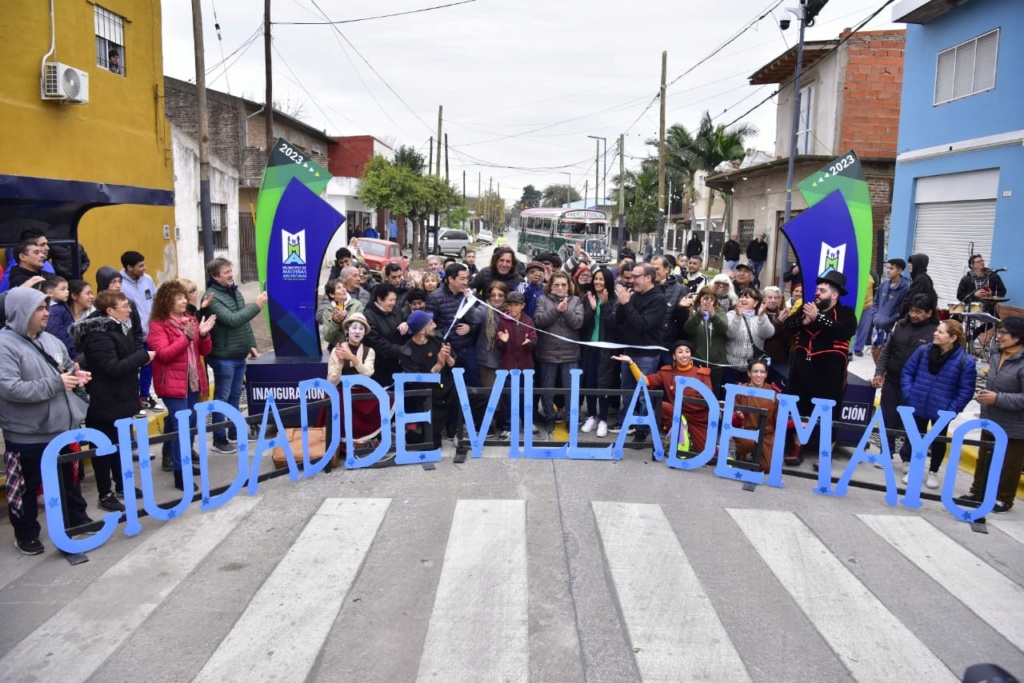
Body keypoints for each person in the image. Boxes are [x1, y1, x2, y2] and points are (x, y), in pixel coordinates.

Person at [0, 287, 93, 554]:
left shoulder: (51, 339)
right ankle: (26, 534)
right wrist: (56, 383)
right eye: (40, 308)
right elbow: (9, 388)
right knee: (25, 489)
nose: (46, 313)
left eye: (45, 307)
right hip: (27, 433)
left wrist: (76, 376)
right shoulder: (4, 345)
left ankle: (76, 520)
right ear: (22, 312)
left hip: (62, 429)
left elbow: (63, 371)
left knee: (69, 479)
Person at [72, 290, 157, 507]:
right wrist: (142, 357)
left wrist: (141, 359)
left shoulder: (118, 328)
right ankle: (105, 495)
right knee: (104, 451)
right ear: (110, 310)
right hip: (105, 402)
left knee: (121, 447)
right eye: (125, 306)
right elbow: (112, 367)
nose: (130, 310)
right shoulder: (99, 335)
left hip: (122, 400)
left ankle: (122, 485)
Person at [783, 270, 858, 465]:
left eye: (822, 290)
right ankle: (797, 447)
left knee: (829, 412)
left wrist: (818, 318)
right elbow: (788, 327)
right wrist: (803, 321)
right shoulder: (807, 308)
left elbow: (843, 331)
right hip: (802, 369)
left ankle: (826, 454)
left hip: (830, 372)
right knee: (799, 408)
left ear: (834, 295)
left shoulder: (846, 313)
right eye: (817, 289)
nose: (817, 293)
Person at [149, 280, 216, 483]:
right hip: (172, 382)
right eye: (179, 298)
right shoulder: (158, 325)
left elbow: (204, 351)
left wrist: (203, 335)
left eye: (184, 297)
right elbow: (164, 354)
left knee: (191, 423)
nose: (184, 301)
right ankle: (180, 471)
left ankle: (183, 462)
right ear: (167, 301)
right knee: (181, 426)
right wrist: (186, 338)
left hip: (192, 380)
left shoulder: (190, 320)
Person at [900, 319, 976, 489]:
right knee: (914, 437)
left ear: (952, 338)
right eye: (937, 330)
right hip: (917, 403)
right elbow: (907, 373)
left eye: (941, 332)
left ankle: (933, 471)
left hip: (942, 410)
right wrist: (909, 395)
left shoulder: (965, 362)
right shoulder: (923, 351)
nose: (935, 333)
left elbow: (965, 391)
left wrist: (951, 410)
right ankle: (913, 467)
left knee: (939, 441)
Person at [959, 316, 1024, 513]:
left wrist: (998, 398)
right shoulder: (996, 354)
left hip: (1015, 425)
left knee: (1010, 464)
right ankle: (977, 492)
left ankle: (1004, 498)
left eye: (1004, 333)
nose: (999, 336)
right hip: (991, 418)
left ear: (1018, 337)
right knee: (984, 457)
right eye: (999, 332)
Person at [204, 257, 268, 454]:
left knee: (234, 396)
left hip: (238, 353)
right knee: (221, 398)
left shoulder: (234, 291)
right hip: (223, 356)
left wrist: (251, 344)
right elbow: (232, 320)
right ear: (215, 276)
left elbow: (244, 323)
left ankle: (234, 432)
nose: (231, 275)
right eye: (226, 272)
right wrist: (256, 306)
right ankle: (219, 438)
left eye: (231, 270)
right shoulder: (212, 297)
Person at [399, 311, 484, 448]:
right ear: (421, 330)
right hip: (430, 398)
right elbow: (416, 383)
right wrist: (438, 365)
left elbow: (454, 364)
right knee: (433, 444)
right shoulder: (407, 352)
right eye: (430, 323)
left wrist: (448, 357)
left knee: (480, 398)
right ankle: (411, 435)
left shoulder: (437, 339)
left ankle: (467, 430)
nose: (435, 325)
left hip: (449, 389)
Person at [871, 294, 940, 465]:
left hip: (916, 386)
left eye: (918, 312)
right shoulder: (900, 325)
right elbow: (887, 351)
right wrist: (879, 372)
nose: (913, 315)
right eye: (911, 311)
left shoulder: (936, 332)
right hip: (892, 381)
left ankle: (907, 458)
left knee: (913, 423)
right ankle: (885, 453)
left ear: (929, 313)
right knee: (888, 418)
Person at [613, 340, 714, 453]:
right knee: (662, 406)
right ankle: (676, 435)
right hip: (677, 415)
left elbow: (710, 401)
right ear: (674, 356)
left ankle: (692, 439)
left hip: (698, 419)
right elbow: (644, 381)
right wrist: (631, 363)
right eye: (680, 352)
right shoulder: (667, 372)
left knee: (709, 455)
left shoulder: (701, 374)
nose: (684, 355)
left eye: (687, 351)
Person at [614, 263, 668, 441]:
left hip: (646, 355)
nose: (632, 280)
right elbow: (619, 322)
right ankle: (629, 421)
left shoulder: (658, 299)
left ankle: (643, 430)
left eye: (636, 276)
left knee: (644, 395)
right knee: (627, 391)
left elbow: (642, 324)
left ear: (648, 278)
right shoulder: (634, 296)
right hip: (628, 350)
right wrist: (622, 306)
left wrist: (627, 304)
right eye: (631, 277)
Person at [534, 271, 585, 434]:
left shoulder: (576, 301)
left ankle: (570, 419)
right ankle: (549, 417)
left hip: (570, 353)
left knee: (570, 389)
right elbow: (538, 321)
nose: (560, 288)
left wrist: (566, 310)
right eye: (557, 285)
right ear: (551, 286)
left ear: (569, 285)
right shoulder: (542, 299)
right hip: (547, 353)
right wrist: (556, 309)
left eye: (564, 284)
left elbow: (578, 323)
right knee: (547, 389)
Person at [326, 312, 382, 444]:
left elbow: (368, 373)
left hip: (361, 392)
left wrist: (352, 358)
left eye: (361, 329)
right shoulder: (337, 350)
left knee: (385, 399)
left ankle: (365, 440)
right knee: (338, 404)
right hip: (341, 392)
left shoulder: (369, 351)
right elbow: (331, 380)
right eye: (354, 327)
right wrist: (340, 362)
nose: (357, 331)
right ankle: (342, 444)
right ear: (347, 330)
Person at [427, 262, 481, 387]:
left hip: (467, 349)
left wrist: (470, 328)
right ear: (451, 279)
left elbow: (476, 320)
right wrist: (446, 334)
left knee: (473, 384)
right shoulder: (435, 297)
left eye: (467, 278)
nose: (465, 282)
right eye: (462, 279)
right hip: (448, 350)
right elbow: (430, 326)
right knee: (451, 386)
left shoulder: (468, 295)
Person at [580, 267, 619, 437]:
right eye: (596, 278)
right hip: (589, 348)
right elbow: (582, 324)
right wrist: (592, 308)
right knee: (589, 382)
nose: (597, 282)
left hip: (606, 349)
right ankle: (591, 416)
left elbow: (614, 326)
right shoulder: (587, 298)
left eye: (601, 279)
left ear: (608, 282)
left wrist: (604, 307)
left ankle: (603, 419)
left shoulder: (615, 301)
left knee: (604, 383)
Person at [496, 290, 538, 439]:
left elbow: (534, 339)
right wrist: (503, 341)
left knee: (526, 396)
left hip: (526, 366)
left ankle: (527, 422)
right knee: (508, 397)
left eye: (516, 305)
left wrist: (530, 343)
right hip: (508, 366)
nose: (512, 308)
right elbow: (499, 345)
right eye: (510, 305)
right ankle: (508, 425)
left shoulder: (528, 321)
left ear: (523, 306)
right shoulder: (503, 321)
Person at [119, 251, 158, 412]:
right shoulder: (119, 283)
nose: (144, 268)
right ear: (129, 267)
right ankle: (133, 399)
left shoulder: (147, 280)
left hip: (150, 333)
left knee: (149, 366)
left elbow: (155, 300)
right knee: (133, 367)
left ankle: (145, 396)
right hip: (131, 335)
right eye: (140, 265)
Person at [731, 358, 779, 472]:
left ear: (766, 374)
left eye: (762, 372)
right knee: (747, 444)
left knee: (765, 468)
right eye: (755, 371)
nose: (759, 375)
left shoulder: (774, 393)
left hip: (766, 434)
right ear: (749, 373)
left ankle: (757, 451)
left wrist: (797, 423)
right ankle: (741, 451)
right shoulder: (740, 391)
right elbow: (731, 419)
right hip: (746, 432)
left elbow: (778, 418)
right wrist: (738, 416)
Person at [684, 285, 729, 397]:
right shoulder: (693, 312)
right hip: (698, 361)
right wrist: (699, 314)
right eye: (705, 298)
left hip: (717, 363)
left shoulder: (721, 313)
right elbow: (687, 329)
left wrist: (713, 315)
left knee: (714, 393)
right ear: (700, 299)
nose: (708, 301)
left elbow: (723, 330)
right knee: (697, 393)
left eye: (711, 299)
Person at [725, 287, 775, 385]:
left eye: (747, 297)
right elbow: (730, 334)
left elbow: (768, 334)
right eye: (741, 297)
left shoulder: (760, 317)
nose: (743, 299)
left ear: (756, 303)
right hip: (731, 366)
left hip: (753, 368)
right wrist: (737, 316)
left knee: (749, 397)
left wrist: (761, 317)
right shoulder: (731, 314)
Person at [362, 283, 407, 389]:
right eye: (390, 300)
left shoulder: (396, 310)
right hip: (380, 368)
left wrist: (406, 323)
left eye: (395, 300)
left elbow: (404, 319)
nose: (393, 303)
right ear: (379, 299)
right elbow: (377, 343)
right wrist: (402, 350)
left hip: (398, 365)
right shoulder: (368, 316)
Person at [870, 259, 910, 364]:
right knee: (874, 350)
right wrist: (875, 316)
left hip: (890, 327)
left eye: (891, 268)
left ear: (900, 271)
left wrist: (891, 320)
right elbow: (876, 301)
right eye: (888, 268)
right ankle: (878, 374)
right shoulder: (884, 284)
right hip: (878, 324)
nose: (888, 270)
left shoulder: (905, 288)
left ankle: (885, 376)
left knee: (887, 353)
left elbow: (903, 309)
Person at [957, 254, 1007, 335]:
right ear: (972, 265)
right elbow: (960, 295)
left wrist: (992, 294)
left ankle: (977, 332)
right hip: (971, 305)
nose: (982, 263)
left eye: (982, 261)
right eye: (978, 262)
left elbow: (1003, 291)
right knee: (956, 318)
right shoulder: (966, 279)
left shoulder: (993, 276)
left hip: (988, 305)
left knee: (997, 322)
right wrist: (974, 295)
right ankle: (959, 338)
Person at [476, 281, 510, 391]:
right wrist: (468, 300)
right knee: (490, 396)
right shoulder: (484, 309)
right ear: (488, 296)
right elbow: (473, 316)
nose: (496, 298)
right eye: (493, 295)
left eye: (500, 295)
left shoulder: (511, 311)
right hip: (488, 361)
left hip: (507, 361)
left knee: (505, 397)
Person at [320, 277, 364, 351]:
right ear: (332, 294)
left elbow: (361, 327)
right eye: (339, 288)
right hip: (337, 349)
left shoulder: (357, 305)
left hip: (355, 348)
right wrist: (335, 322)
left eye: (344, 287)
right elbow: (327, 338)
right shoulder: (328, 311)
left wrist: (346, 318)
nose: (343, 289)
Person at [851, 268, 878, 357]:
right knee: (851, 328)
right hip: (853, 305)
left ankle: (858, 348)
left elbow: (876, 290)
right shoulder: (853, 269)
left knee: (864, 328)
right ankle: (849, 350)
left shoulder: (872, 273)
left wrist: (874, 304)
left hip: (867, 306)